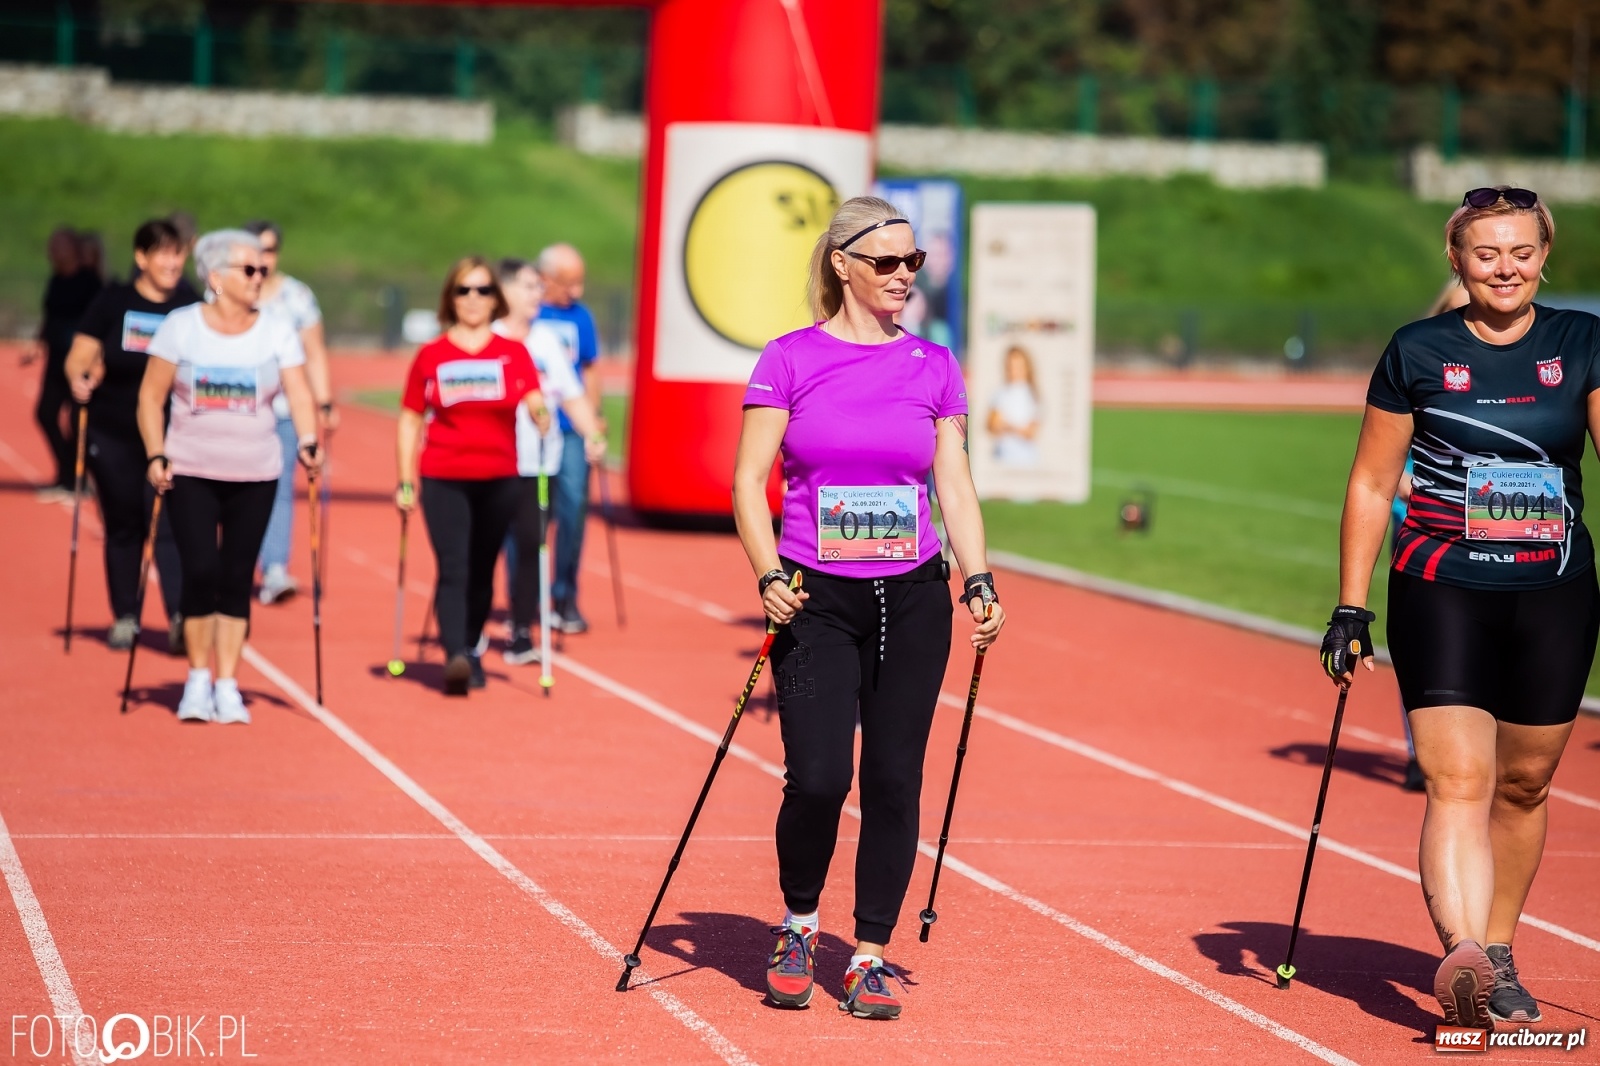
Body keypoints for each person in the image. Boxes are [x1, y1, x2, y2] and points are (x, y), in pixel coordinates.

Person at [1325, 186, 1596, 1030]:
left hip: (1554, 592)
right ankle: (1465, 952)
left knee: (1523, 783)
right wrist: (1349, 605)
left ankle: (1501, 947)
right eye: (1487, 253)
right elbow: (1372, 482)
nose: (1505, 268)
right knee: (1459, 780)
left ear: (1545, 254)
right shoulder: (1417, 350)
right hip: (1441, 588)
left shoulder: (1581, 342)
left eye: (1520, 251)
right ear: (1457, 260)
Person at [733, 197, 1005, 1019]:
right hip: (815, 596)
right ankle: (799, 923)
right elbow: (749, 481)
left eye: (912, 262)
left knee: (893, 779)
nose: (902, 276)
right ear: (842, 263)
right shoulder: (788, 359)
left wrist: (978, 576)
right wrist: (765, 572)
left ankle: (870, 953)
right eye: (885, 262)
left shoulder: (934, 364)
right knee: (818, 777)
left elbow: (951, 480)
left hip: (915, 595)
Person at [139, 229, 321, 724]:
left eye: (263, 269)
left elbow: (299, 394)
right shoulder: (181, 327)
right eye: (250, 269)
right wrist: (156, 453)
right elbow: (150, 397)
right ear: (216, 276)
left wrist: (308, 439)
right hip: (191, 469)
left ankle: (227, 684)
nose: (261, 277)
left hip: (255, 471)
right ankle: (197, 681)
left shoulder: (276, 328)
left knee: (237, 578)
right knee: (200, 572)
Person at [395, 257, 550, 696]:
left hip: (499, 477)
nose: (474, 299)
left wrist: (541, 414)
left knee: (483, 570)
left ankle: (471, 645)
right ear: (451, 298)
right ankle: (456, 654)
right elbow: (410, 419)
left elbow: (534, 397)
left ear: (495, 299)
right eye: (464, 290)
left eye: (483, 290)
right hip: (444, 475)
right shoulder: (431, 355)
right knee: (454, 565)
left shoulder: (513, 353)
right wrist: (404, 479)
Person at [66, 220, 195, 653]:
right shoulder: (114, 301)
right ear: (142, 257)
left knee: (170, 526)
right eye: (163, 254)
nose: (173, 263)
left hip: (171, 435)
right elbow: (79, 356)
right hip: (115, 431)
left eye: (178, 254)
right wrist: (80, 378)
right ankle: (126, 615)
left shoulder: (190, 306)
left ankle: (180, 616)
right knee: (124, 525)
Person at [492, 258, 606, 666]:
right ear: (505, 291)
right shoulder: (488, 337)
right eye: (528, 287)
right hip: (491, 462)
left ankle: (523, 627)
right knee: (484, 547)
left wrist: (592, 431)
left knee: (530, 543)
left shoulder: (547, 341)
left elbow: (573, 392)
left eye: (538, 288)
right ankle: (470, 627)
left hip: (540, 460)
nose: (537, 294)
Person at [243, 221, 338, 606]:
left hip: (282, 411)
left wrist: (325, 401)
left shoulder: (297, 296)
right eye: (255, 251)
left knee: (279, 488)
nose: (263, 260)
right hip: (231, 411)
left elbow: (314, 351)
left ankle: (275, 568)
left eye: (270, 251)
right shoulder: (224, 290)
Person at [536, 243, 603, 635]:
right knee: (529, 518)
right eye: (568, 283)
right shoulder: (530, 315)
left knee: (574, 509)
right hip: (533, 430)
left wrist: (593, 418)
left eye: (580, 282)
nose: (576, 291)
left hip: (573, 429)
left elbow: (591, 370)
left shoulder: (582, 317)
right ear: (545, 280)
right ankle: (524, 599)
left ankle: (564, 596)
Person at [32, 226, 102, 500]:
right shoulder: (56, 280)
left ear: (74, 248)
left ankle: (77, 477)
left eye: (59, 244)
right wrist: (39, 341)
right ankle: (66, 472)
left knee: (78, 419)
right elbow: (50, 315)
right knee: (45, 414)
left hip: (80, 362)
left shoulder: (89, 282)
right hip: (55, 358)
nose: (53, 250)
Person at [986, 344, 1041, 468]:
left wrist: (1006, 425)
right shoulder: (1000, 392)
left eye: (1018, 366)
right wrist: (1017, 427)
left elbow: (1030, 432)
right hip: (1002, 457)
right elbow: (992, 425)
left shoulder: (1033, 395)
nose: (1014, 370)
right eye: (1011, 366)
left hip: (1027, 459)